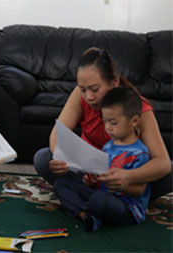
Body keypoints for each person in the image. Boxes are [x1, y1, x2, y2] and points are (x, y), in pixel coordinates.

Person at [33, 47, 171, 199]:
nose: (89, 97)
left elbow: (162, 162)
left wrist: (128, 177)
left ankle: (91, 195)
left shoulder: (139, 109)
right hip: (88, 173)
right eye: (83, 90)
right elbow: (58, 132)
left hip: (123, 176)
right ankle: (98, 195)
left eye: (95, 89)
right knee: (43, 158)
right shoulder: (79, 95)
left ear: (115, 82)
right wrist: (60, 158)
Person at [54, 87, 150, 232]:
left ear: (134, 121)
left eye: (113, 123)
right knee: (61, 184)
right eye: (105, 122)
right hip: (102, 195)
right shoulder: (108, 146)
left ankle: (84, 209)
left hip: (126, 206)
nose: (108, 128)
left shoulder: (140, 153)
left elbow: (139, 190)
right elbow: (99, 178)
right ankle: (85, 215)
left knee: (99, 199)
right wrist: (91, 179)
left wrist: (120, 185)